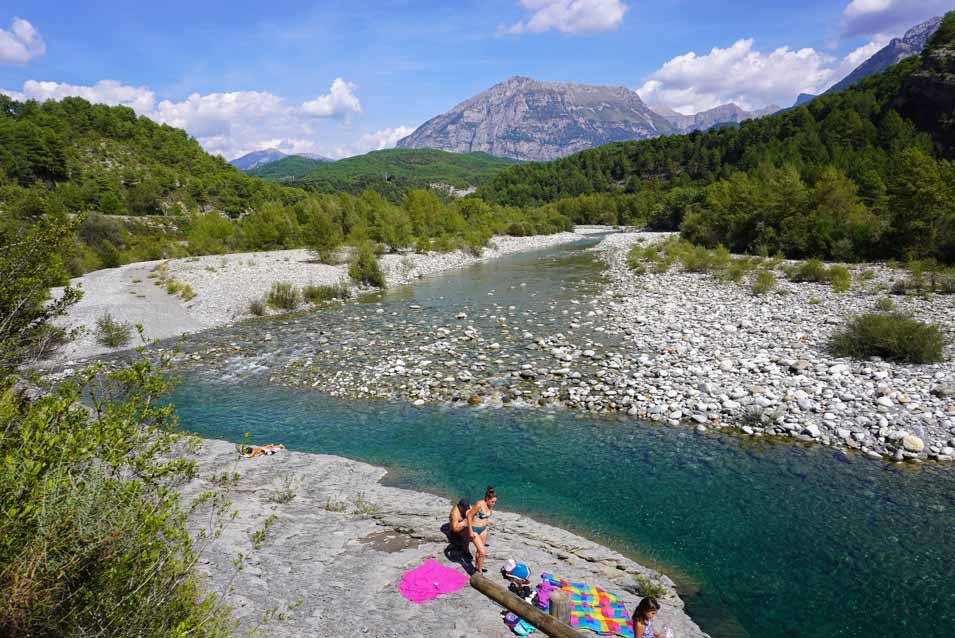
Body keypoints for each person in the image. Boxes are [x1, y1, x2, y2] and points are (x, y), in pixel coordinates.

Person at [466, 485, 497, 573]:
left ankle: (477, 566)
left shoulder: (489, 505)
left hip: (483, 529)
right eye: (492, 502)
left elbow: (485, 517)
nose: (493, 504)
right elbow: (469, 515)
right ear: (487, 498)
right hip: (475, 529)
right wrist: (470, 531)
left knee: (479, 551)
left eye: (495, 502)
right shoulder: (479, 504)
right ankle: (480, 572)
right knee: (483, 552)